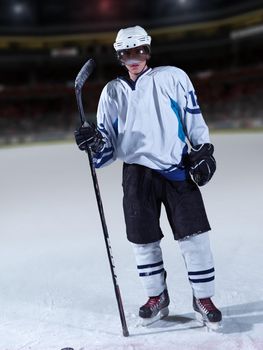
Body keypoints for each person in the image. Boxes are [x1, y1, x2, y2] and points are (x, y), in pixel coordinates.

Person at [75, 25, 222, 329]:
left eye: (140, 51)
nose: (135, 58)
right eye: (127, 53)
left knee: (195, 237)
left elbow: (193, 116)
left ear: (148, 51)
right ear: (119, 56)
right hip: (136, 174)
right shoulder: (112, 92)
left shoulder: (173, 77)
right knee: (143, 240)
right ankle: (157, 297)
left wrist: (203, 150)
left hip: (176, 168)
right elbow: (107, 145)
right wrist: (94, 142)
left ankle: (203, 298)